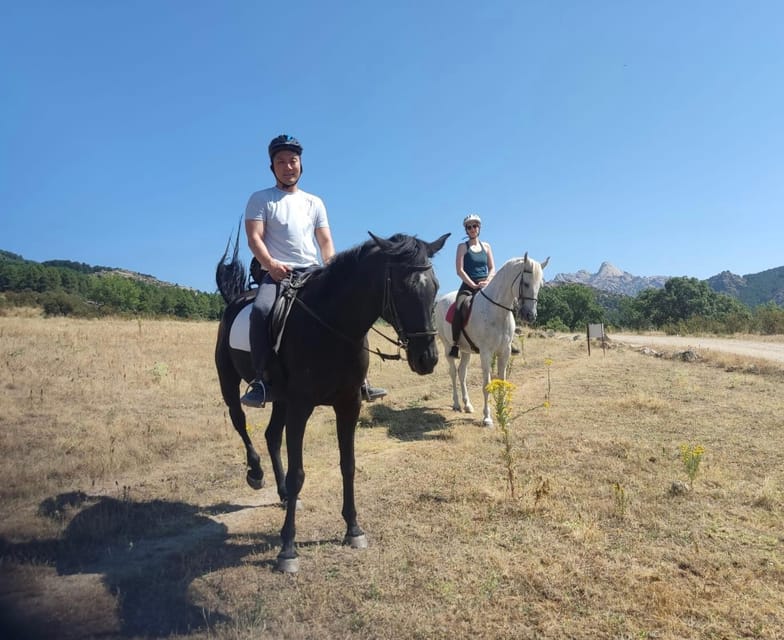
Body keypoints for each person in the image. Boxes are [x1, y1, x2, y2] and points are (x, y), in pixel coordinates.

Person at [241, 134, 387, 407]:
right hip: (277, 273)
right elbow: (254, 238)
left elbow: (325, 242)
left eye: (293, 161)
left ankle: (361, 379)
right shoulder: (261, 199)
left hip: (312, 272)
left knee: (352, 309)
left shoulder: (314, 202)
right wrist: (271, 264)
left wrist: (332, 267)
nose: (288, 166)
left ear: (301, 164)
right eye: (281, 161)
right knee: (261, 311)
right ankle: (262, 380)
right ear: (272, 167)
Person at [449, 213, 496, 359]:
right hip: (468, 285)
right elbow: (459, 270)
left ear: (479, 228)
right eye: (469, 227)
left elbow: (492, 267)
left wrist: (487, 281)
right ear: (466, 230)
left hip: (486, 283)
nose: (472, 229)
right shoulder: (462, 247)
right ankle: (455, 344)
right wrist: (473, 285)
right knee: (458, 308)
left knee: (504, 303)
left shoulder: (487, 246)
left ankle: (508, 340)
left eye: (474, 226)